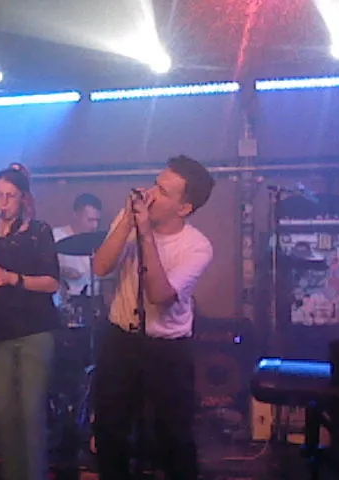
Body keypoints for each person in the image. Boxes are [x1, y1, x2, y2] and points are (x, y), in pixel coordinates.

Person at [92, 155, 215, 480]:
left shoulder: (197, 247)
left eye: (162, 191)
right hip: (121, 338)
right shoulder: (128, 221)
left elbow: (159, 296)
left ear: (184, 208)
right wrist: (127, 224)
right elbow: (100, 267)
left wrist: (146, 234)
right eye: (155, 184)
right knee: (110, 431)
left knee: (173, 437)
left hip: (167, 347)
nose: (150, 194)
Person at [0, 167, 60, 480]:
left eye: (10, 196)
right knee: (5, 416)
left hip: (35, 330)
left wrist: (12, 278)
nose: (3, 203)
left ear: (23, 198)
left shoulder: (39, 231)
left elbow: (52, 282)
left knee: (31, 414)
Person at [53, 193, 103, 299]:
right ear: (76, 215)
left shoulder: (100, 240)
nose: (95, 225)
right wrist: (60, 271)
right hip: (67, 299)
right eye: (90, 220)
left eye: (97, 221)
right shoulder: (55, 236)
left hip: (95, 298)